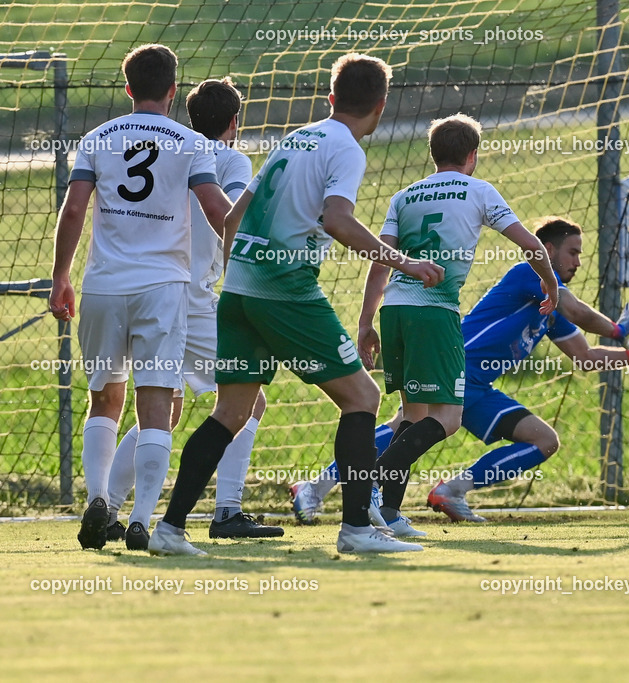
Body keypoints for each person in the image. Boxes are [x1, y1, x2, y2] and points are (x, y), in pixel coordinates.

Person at [146, 53, 445, 556]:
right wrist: (405, 263)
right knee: (363, 398)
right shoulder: (346, 149)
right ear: (381, 104)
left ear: (330, 98)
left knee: (231, 411)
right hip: (283, 288)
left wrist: (235, 272)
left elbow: (236, 213)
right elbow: (337, 221)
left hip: (239, 288)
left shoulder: (296, 136)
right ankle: (356, 530)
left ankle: (169, 529)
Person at [290, 217, 629, 524]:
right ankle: (321, 488)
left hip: (477, 383)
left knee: (537, 440)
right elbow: (578, 311)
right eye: (573, 252)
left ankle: (446, 491)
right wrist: (619, 330)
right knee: (403, 428)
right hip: (455, 365)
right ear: (547, 250)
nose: (578, 262)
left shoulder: (549, 308)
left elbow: (584, 357)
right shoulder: (530, 274)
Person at [49, 44, 232, 550]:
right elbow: (215, 208)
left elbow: (73, 210)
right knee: (157, 403)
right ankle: (143, 520)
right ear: (173, 90)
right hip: (162, 289)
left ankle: (97, 500)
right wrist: (246, 255)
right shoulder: (191, 142)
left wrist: (60, 275)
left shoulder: (96, 138)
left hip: (103, 286)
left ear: (127, 88)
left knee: (104, 399)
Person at [353, 113, 559, 537]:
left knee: (412, 416)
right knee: (447, 418)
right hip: (436, 312)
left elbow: (380, 261)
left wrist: (365, 323)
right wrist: (551, 287)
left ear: (433, 155)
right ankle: (369, 485)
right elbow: (532, 245)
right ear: (472, 156)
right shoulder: (479, 190)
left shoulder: (404, 196)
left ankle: (389, 514)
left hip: (394, 310)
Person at [105, 77, 282, 548]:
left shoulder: (173, 150)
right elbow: (234, 214)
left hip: (146, 287)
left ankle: (108, 506)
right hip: (193, 296)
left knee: (160, 410)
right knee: (249, 399)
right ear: (234, 123)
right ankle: (228, 510)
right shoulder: (232, 158)